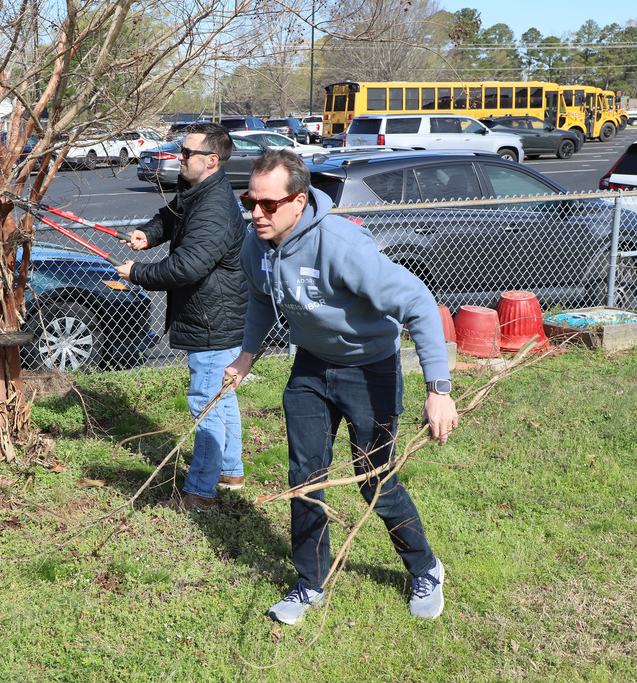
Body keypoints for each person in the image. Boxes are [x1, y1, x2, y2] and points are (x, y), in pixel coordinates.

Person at [223, 149, 458, 623]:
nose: (256, 213)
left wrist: (439, 388)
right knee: (304, 479)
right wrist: (246, 357)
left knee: (375, 481)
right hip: (311, 368)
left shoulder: (341, 244)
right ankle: (311, 583)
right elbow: (260, 297)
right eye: (251, 200)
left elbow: (418, 302)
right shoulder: (256, 242)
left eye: (268, 204)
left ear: (299, 199)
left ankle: (425, 567)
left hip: (369, 368)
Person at [113, 123, 248, 512]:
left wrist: (137, 272)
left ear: (211, 160)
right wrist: (148, 234)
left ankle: (199, 494)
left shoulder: (216, 207)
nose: (179, 157)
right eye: (180, 150)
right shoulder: (197, 191)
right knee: (221, 398)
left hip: (212, 320)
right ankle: (230, 473)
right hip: (215, 314)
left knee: (206, 403)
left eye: (187, 152)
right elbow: (171, 217)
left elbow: (185, 268)